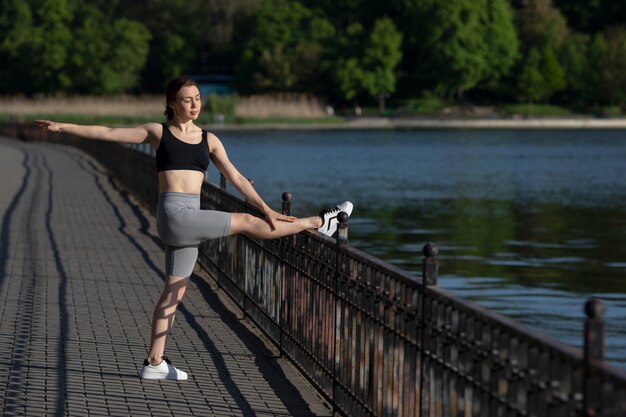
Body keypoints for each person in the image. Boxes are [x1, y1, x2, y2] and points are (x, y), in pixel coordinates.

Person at [35, 75, 353, 381]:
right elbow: (107, 132)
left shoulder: (209, 139)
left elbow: (239, 178)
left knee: (174, 292)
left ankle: (154, 362)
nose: (194, 104)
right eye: (187, 100)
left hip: (190, 217)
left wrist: (267, 207)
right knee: (244, 222)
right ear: (172, 103)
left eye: (198, 98)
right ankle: (319, 222)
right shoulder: (158, 132)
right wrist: (63, 126)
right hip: (174, 215)